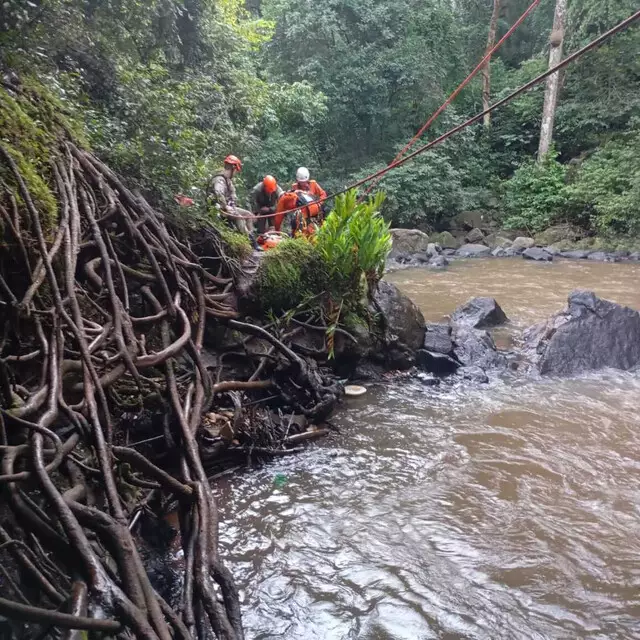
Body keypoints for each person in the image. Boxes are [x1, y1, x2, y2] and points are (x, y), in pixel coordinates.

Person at [207, 155, 255, 238]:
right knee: (239, 218)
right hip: (218, 209)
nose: (236, 173)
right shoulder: (219, 180)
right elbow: (218, 193)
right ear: (233, 168)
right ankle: (248, 241)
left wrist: (232, 203)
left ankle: (252, 237)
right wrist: (225, 206)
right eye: (236, 170)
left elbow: (232, 194)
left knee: (248, 215)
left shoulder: (228, 180)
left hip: (228, 207)